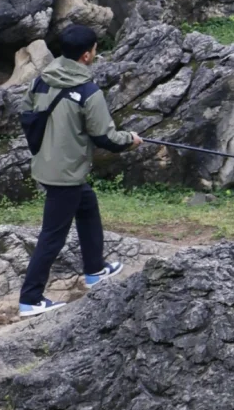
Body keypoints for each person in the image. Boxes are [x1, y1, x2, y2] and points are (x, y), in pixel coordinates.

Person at [17, 22, 142, 316]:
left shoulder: (40, 81)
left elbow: (27, 113)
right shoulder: (88, 91)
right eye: (95, 48)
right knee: (52, 236)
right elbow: (105, 137)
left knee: (87, 205)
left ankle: (95, 270)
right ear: (87, 55)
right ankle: (30, 299)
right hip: (66, 173)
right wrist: (131, 141)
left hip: (47, 164)